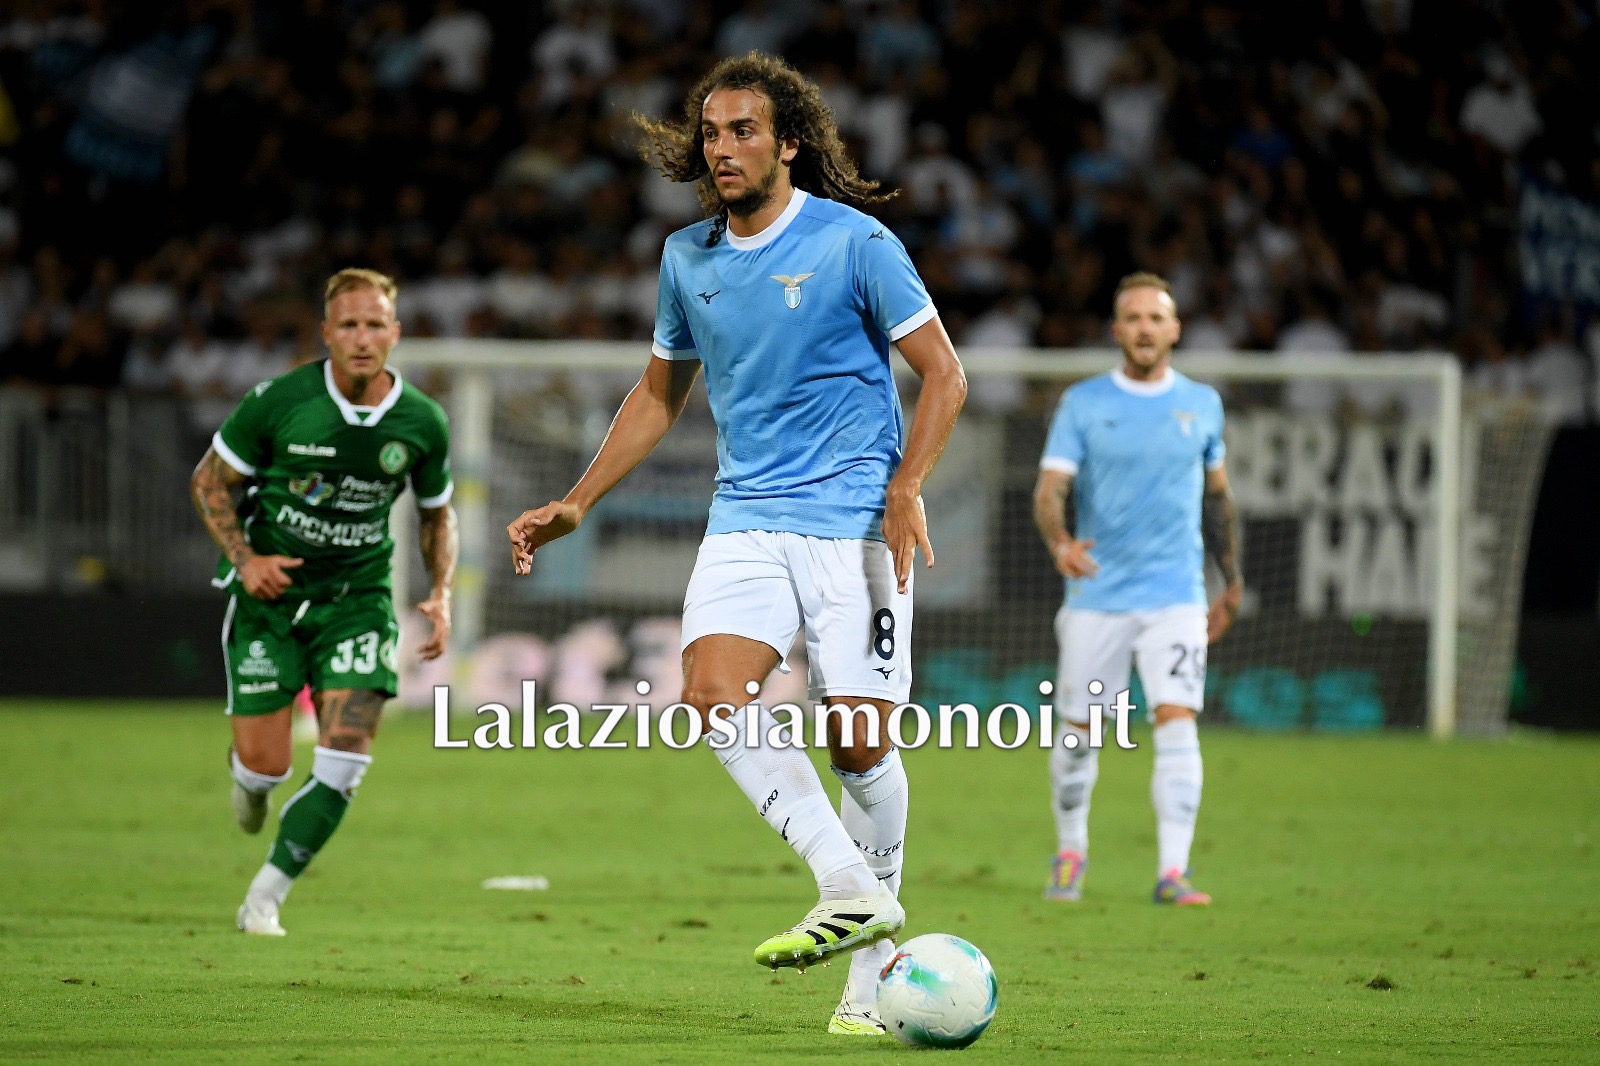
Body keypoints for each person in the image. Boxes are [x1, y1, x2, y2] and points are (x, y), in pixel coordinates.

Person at [506, 52, 966, 1036]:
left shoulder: (854, 241)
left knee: (859, 743)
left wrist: (906, 486)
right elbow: (658, 393)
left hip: (853, 524)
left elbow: (945, 373)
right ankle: (847, 884)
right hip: (745, 517)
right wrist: (578, 500)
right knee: (712, 694)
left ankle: (868, 974)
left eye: (743, 131)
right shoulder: (687, 258)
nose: (722, 148)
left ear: (788, 142)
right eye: (711, 133)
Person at [189, 268, 458, 936]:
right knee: (267, 767)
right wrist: (246, 560)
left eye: (375, 325)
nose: (363, 338)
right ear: (326, 333)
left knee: (345, 758)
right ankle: (251, 783)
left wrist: (441, 593)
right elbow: (209, 482)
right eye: (349, 325)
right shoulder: (279, 402)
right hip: (272, 601)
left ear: (395, 333)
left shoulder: (422, 421)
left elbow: (436, 514)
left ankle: (265, 897)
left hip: (357, 601)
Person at [1033, 271, 1241, 906]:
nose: (1145, 328)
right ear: (1115, 330)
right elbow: (1050, 490)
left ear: (1175, 329)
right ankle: (1071, 851)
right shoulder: (1083, 403)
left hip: (1176, 595)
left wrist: (1231, 580)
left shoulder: (1202, 404)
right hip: (1098, 595)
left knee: (1177, 720)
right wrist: (1060, 542)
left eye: (1156, 317)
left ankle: (1173, 872)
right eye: (1133, 318)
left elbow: (1218, 499)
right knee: (1079, 736)